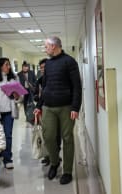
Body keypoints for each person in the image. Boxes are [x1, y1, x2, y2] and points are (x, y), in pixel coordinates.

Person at [34, 36, 82, 185]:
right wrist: (38, 105)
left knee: (67, 138)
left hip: (66, 107)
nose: (45, 49)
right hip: (48, 106)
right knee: (48, 137)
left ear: (54, 46)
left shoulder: (69, 62)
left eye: (46, 46)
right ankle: (54, 163)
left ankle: (67, 171)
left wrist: (75, 107)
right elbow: (46, 86)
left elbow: (77, 86)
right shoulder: (47, 64)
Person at [34, 58, 61, 166]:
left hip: (56, 109)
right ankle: (47, 155)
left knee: (56, 134)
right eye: (40, 68)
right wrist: (37, 101)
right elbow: (37, 94)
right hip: (44, 109)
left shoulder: (57, 79)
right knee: (45, 134)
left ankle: (55, 156)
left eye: (44, 67)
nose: (42, 69)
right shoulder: (39, 80)